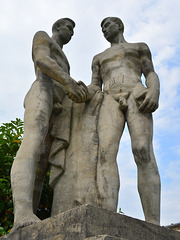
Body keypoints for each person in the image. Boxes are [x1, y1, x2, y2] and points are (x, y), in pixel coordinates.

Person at [10, 18, 88, 230]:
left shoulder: (66, 59)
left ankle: (29, 218)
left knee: (42, 164)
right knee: (32, 143)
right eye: (69, 27)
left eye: (73, 29)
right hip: (42, 92)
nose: (71, 32)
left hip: (58, 106)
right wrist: (68, 81)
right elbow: (41, 60)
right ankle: (22, 212)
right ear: (57, 27)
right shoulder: (43, 36)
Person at [89, 17, 161, 225]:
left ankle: (153, 222)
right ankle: (107, 216)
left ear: (119, 26)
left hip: (136, 94)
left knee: (142, 150)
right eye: (101, 27)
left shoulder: (139, 47)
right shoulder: (98, 58)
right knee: (105, 153)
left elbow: (150, 73)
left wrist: (154, 90)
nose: (103, 29)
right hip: (109, 100)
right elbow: (95, 86)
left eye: (106, 25)